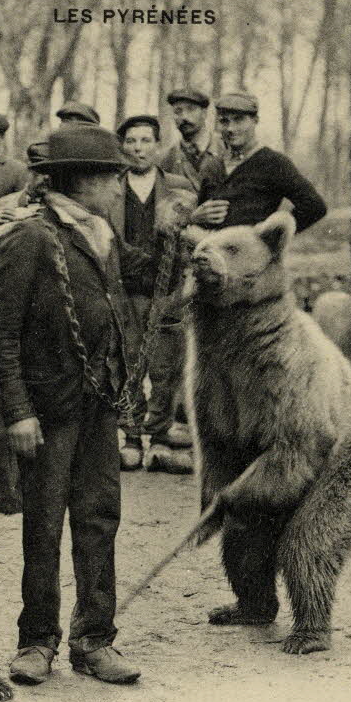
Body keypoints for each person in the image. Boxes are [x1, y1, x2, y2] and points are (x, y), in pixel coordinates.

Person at [0, 125, 141, 687]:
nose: (121, 187)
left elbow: (122, 299)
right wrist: (18, 412)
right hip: (47, 412)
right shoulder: (29, 238)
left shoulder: (103, 233)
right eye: (113, 176)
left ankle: (95, 641)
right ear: (81, 181)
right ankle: (36, 641)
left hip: (98, 403)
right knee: (44, 527)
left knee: (100, 520)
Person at [114, 116, 196, 474]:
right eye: (131, 141)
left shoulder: (180, 187)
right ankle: (131, 438)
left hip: (168, 290)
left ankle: (160, 438)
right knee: (129, 361)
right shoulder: (112, 188)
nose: (138, 149)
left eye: (145, 141)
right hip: (124, 289)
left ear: (157, 145)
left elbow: (194, 237)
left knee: (166, 365)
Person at [192, 92, 327, 233]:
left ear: (255, 120)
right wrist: (194, 218)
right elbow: (200, 211)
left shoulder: (273, 163)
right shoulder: (212, 165)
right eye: (224, 121)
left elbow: (314, 207)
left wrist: (271, 237)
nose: (231, 128)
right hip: (211, 251)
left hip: (252, 253)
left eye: (238, 120)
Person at [158, 88, 223, 192]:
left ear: (204, 113)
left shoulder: (225, 149)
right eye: (178, 111)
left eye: (191, 109)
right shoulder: (166, 159)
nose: (184, 117)